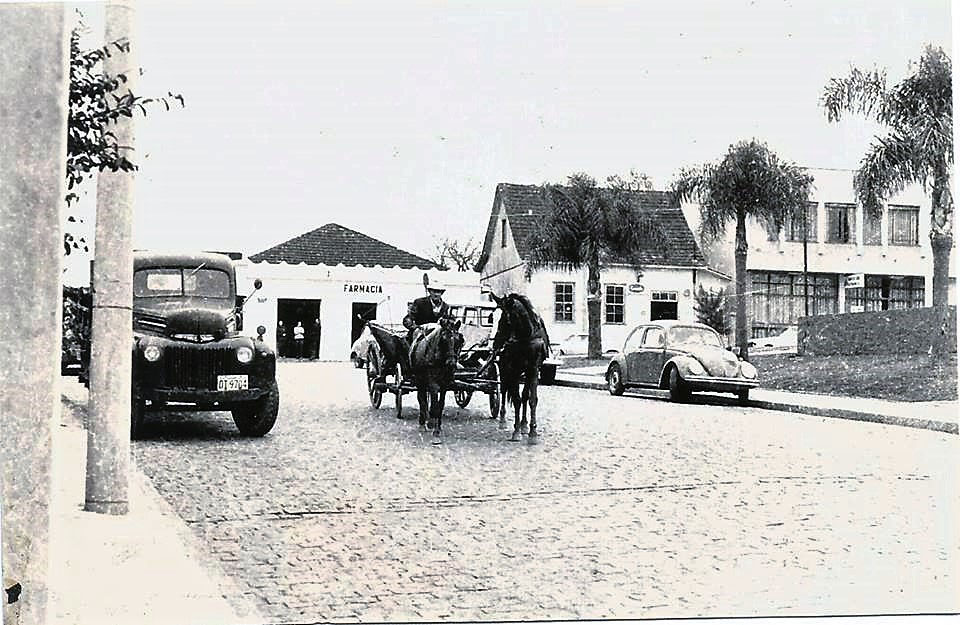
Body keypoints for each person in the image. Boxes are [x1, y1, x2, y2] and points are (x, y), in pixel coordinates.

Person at [403, 278, 451, 343]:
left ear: (442, 293)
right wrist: (415, 328)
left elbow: (446, 324)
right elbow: (407, 319)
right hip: (419, 336)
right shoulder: (420, 303)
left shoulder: (445, 307)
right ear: (429, 291)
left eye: (438, 292)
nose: (436, 294)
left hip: (436, 339)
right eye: (434, 291)